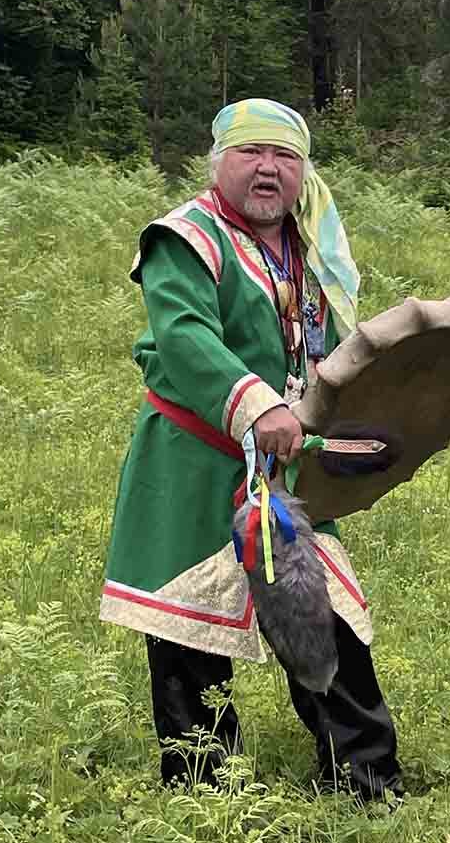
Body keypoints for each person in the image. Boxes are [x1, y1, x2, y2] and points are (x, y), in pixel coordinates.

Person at [98, 98, 401, 800]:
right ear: (219, 163)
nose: (268, 170)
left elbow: (329, 347)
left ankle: (366, 784)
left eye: (285, 157)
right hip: (193, 459)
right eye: (251, 154)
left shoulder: (308, 242)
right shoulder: (185, 238)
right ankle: (204, 791)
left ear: (302, 171)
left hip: (282, 464)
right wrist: (256, 403)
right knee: (188, 628)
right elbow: (185, 337)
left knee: (323, 619)